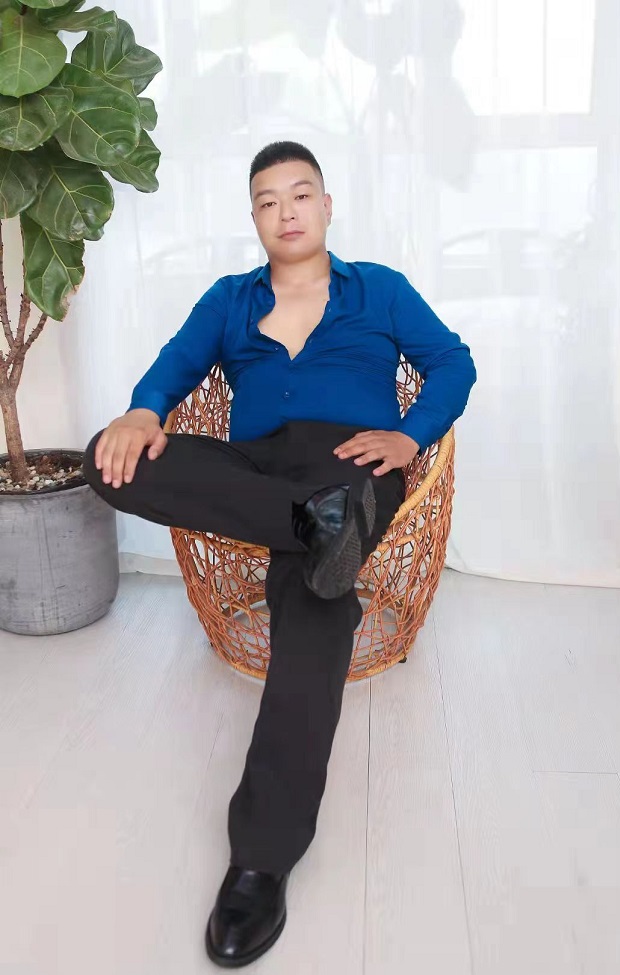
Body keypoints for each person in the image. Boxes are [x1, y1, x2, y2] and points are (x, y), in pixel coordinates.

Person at [83, 141, 476, 968]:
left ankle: (260, 860)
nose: (286, 211)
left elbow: (452, 362)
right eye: (268, 200)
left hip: (352, 467)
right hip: (255, 470)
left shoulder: (380, 290)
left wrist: (408, 436)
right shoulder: (229, 299)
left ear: (327, 207)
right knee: (106, 458)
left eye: (301, 194)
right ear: (254, 218)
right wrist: (143, 410)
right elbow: (174, 366)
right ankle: (309, 523)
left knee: (315, 601)